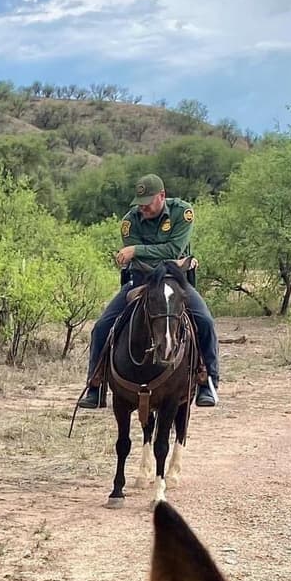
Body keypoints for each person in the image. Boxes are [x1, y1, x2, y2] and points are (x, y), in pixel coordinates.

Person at [78, 174, 220, 410]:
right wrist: (173, 260)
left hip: (175, 282)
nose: (142, 207)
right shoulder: (129, 220)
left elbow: (174, 247)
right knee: (102, 326)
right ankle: (96, 385)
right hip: (141, 280)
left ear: (162, 196)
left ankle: (209, 383)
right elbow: (168, 255)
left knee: (204, 320)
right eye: (140, 202)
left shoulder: (182, 213)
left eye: (147, 201)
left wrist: (136, 250)